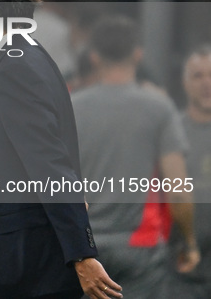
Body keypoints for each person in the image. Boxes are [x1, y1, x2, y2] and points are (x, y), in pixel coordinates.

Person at [0, 0, 122, 299]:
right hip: (22, 266)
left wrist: (82, 253)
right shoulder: (23, 57)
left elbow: (50, 164)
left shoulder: (18, 67)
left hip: (25, 271)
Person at [71, 15, 199, 298]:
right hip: (140, 245)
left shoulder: (71, 107)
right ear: (138, 55)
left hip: (83, 247)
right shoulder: (158, 108)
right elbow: (177, 190)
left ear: (94, 57)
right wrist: (188, 242)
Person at [165, 45, 211, 298]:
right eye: (198, 75)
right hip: (182, 275)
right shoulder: (171, 134)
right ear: (185, 82)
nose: (207, 83)